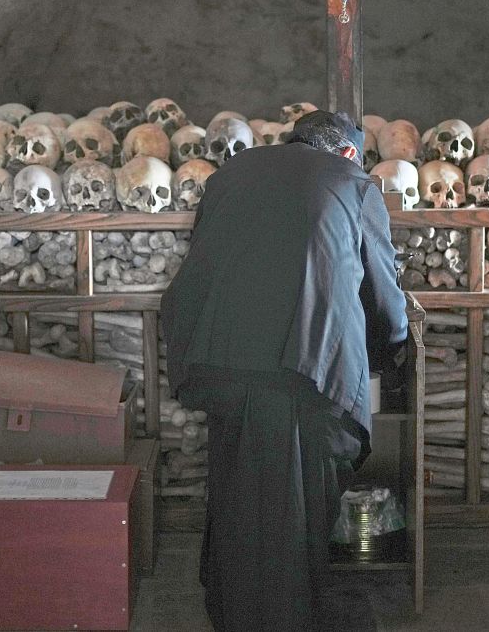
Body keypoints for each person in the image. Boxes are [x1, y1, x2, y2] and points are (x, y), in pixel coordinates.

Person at [160, 109, 410, 632]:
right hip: (306, 370)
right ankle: (286, 616)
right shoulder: (355, 183)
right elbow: (381, 288)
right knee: (298, 503)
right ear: (347, 152)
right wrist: (393, 350)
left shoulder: (231, 173)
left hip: (220, 357)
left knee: (236, 488)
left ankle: (230, 611)